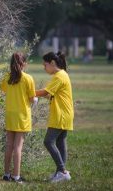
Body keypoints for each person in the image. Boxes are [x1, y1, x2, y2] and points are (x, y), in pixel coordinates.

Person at [35, 51, 73, 183]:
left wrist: (28, 92)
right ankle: (60, 173)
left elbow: (45, 92)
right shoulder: (62, 75)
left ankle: (62, 171)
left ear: (52, 63)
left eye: (44, 65)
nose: (43, 68)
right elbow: (49, 94)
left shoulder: (59, 76)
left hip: (60, 115)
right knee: (60, 143)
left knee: (48, 142)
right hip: (65, 114)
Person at [0, 52, 36, 184]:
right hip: (22, 115)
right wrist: (35, 99)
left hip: (10, 114)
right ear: (24, 64)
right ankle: (16, 176)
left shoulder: (6, 77)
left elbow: (4, 90)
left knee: (9, 145)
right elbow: (32, 99)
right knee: (18, 147)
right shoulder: (28, 78)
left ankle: (6, 174)